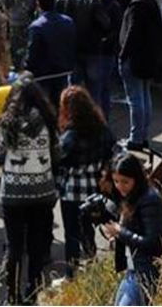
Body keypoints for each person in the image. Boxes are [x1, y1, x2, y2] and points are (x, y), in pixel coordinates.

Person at [0, 77, 60, 305]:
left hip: (14, 193)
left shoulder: (5, 123)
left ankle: (12, 295)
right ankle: (33, 292)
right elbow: (57, 155)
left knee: (14, 246)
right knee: (37, 246)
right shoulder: (49, 122)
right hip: (43, 192)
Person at [56, 86, 115, 277]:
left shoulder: (69, 137)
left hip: (72, 191)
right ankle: (91, 263)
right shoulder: (102, 130)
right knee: (88, 229)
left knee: (71, 234)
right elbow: (113, 152)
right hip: (93, 189)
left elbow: (58, 162)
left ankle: (71, 274)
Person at [103, 153, 162, 306]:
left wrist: (120, 232)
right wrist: (117, 237)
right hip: (133, 270)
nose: (119, 186)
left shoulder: (150, 201)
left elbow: (153, 242)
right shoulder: (133, 195)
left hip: (146, 272)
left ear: (137, 178)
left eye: (125, 182)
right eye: (116, 181)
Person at [119, 0, 162, 151]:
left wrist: (123, 55)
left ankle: (136, 138)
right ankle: (142, 135)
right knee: (144, 97)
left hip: (134, 59)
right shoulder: (151, 2)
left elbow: (132, 32)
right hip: (147, 58)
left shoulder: (137, 5)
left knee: (135, 99)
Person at [56, 0, 113, 101]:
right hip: (91, 50)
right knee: (94, 92)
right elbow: (106, 24)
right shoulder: (92, 0)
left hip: (70, 50)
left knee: (72, 91)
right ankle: (94, 119)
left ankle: (73, 118)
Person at [26, 0, 77, 101]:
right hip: (64, 71)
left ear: (38, 4)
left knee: (46, 106)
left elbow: (32, 51)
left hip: (44, 74)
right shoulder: (68, 21)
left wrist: (27, 67)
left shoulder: (36, 26)